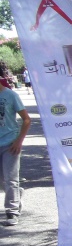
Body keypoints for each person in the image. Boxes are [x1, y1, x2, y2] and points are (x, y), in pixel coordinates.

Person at [0, 77, 31, 226]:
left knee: (10, 178)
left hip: (10, 143)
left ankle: (12, 211)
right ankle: (16, 195)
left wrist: (19, 141)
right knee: (3, 181)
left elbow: (26, 119)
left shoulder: (10, 95)